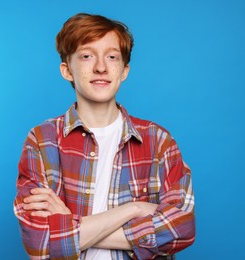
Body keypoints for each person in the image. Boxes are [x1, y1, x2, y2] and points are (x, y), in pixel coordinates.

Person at [13, 13, 195, 260]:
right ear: (67, 70)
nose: (101, 67)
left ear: (124, 71)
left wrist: (67, 224)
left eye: (112, 57)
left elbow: (182, 229)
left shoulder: (159, 141)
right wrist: (134, 209)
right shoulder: (42, 141)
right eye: (87, 56)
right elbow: (38, 243)